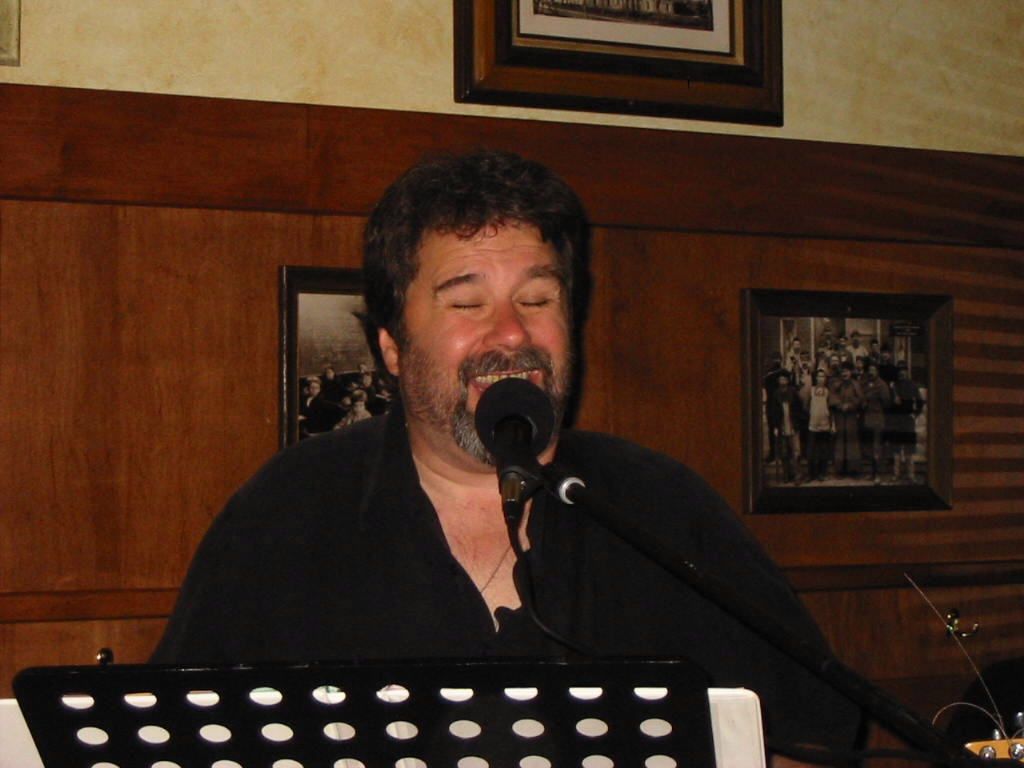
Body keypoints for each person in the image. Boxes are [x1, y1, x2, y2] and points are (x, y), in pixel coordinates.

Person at [152, 149, 860, 761]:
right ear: (392, 348)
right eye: (467, 304)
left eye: (538, 298)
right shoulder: (286, 513)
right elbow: (171, 741)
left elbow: (816, 737)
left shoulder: (662, 506)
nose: (513, 333)